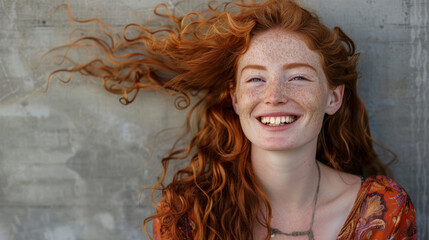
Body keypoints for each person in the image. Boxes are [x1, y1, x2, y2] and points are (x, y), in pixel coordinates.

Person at [44, 0, 416, 239]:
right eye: (256, 78)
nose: (274, 96)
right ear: (236, 100)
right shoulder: (188, 213)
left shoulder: (384, 210)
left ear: (333, 97)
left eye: (299, 77)